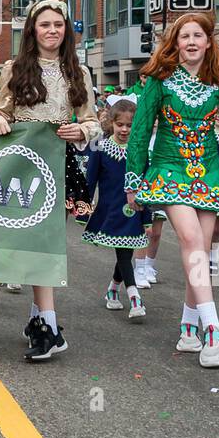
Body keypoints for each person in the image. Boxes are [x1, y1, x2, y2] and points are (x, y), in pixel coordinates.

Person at [126, 11, 219, 370]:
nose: (192, 41)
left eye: (199, 35)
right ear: (175, 43)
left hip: (210, 173)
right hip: (168, 171)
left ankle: (188, 327)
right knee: (191, 241)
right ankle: (213, 328)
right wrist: (133, 181)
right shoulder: (158, 78)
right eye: (185, 36)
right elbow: (139, 130)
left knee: (201, 245)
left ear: (209, 42)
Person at [0, 0, 100, 362]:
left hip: (60, 164)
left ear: (66, 31)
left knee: (45, 243)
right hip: (21, 166)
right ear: (33, 31)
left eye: (59, 25)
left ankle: (45, 324)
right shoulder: (15, 68)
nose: (52, 30)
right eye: (45, 24)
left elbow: (95, 124)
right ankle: (44, 321)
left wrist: (80, 129)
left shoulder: (78, 72)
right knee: (35, 243)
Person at [81, 98, 150, 320]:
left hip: (134, 211)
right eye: (120, 124)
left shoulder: (140, 151)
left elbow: (146, 185)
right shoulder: (100, 148)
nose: (124, 129)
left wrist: (148, 217)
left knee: (124, 252)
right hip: (109, 211)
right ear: (111, 123)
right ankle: (134, 297)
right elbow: (90, 181)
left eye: (129, 125)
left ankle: (114, 288)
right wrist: (84, 210)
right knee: (123, 252)